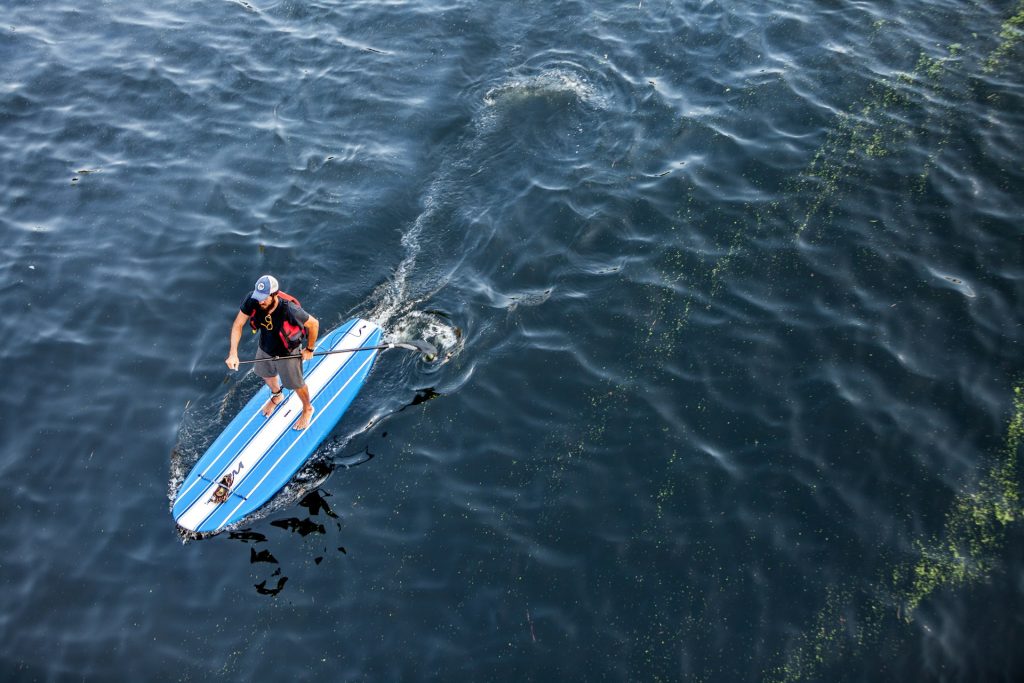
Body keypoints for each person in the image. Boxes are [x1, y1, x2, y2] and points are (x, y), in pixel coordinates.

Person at [225, 275, 320, 430]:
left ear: (274, 294)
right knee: (266, 375)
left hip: (287, 351)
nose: (260, 301)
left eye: (264, 298)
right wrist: (233, 353)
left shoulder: (290, 309)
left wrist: (309, 349)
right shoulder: (252, 300)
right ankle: (277, 395)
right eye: (258, 297)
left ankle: (308, 408)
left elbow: (314, 324)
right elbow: (238, 325)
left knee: (295, 384)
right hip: (265, 347)